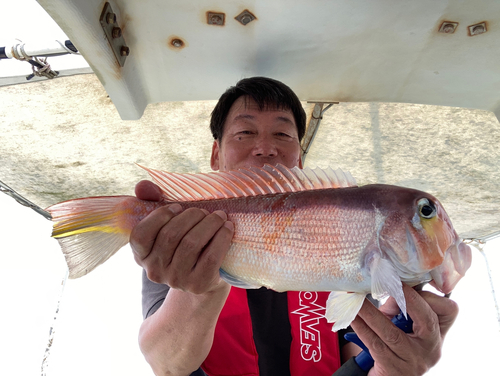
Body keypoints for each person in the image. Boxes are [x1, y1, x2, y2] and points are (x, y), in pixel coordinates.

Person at [131, 77, 459, 376]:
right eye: (244, 133)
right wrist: (200, 287)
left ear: (299, 160)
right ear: (216, 155)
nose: (265, 147)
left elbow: (357, 358)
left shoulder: (341, 241)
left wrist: (395, 363)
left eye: (283, 134)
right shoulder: (179, 244)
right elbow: (166, 363)